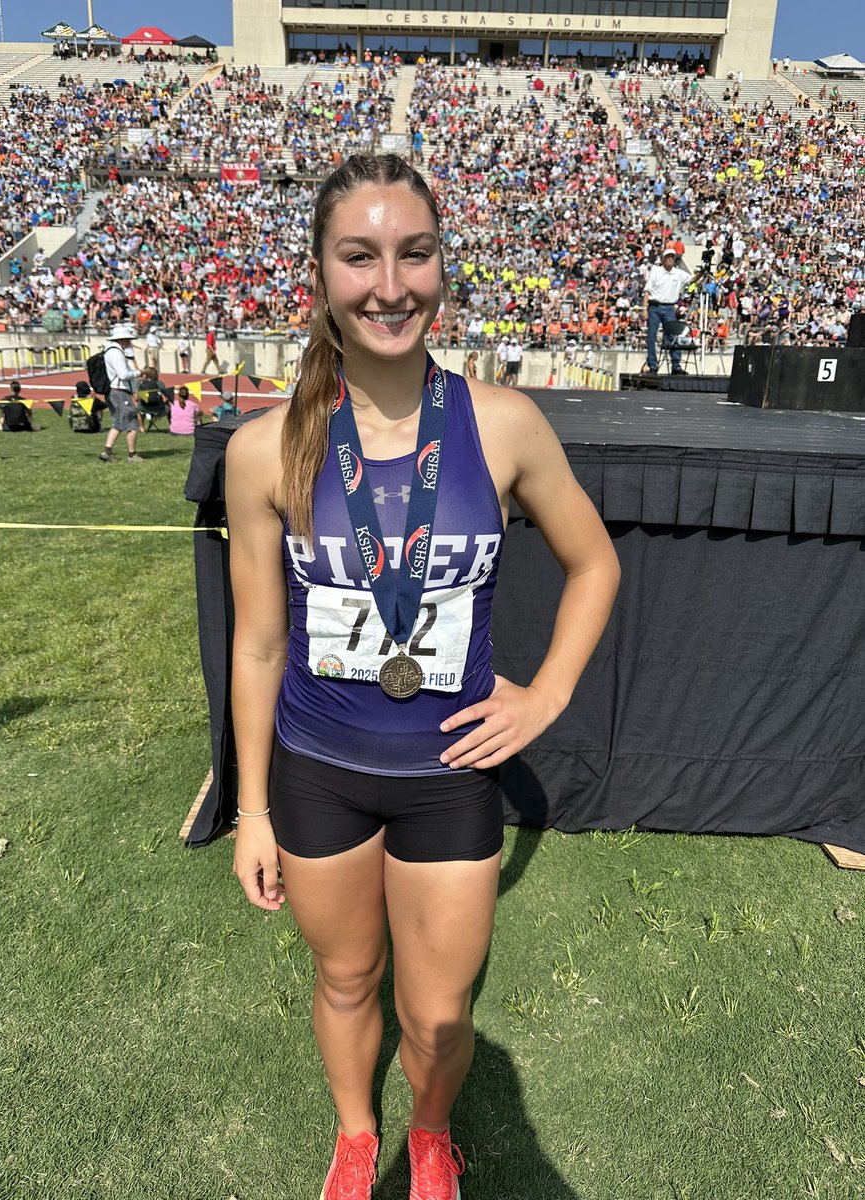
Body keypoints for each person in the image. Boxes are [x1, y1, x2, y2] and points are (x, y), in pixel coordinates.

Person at [225, 153, 621, 1200]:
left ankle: (431, 1133)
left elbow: (596, 564)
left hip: (451, 777)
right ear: (320, 274)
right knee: (346, 977)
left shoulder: (502, 426)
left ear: (444, 268)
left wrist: (547, 694)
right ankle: (359, 1139)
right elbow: (259, 644)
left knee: (436, 1012)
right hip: (317, 769)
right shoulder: (264, 451)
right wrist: (253, 809)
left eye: (415, 253)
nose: (390, 284)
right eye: (360, 257)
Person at [642, 245, 693, 375]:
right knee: (652, 336)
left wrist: (700, 274)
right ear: (663, 259)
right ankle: (652, 364)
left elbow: (691, 280)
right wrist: (644, 308)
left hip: (669, 307)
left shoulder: (678, 273)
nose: (670, 260)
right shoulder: (656, 271)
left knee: (673, 335)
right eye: (668, 257)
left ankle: (676, 365)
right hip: (654, 306)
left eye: (672, 257)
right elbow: (647, 290)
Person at [99, 323, 144, 462]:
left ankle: (107, 451)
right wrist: (139, 372)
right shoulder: (116, 352)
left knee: (118, 422)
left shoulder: (110, 350)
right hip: (119, 391)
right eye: (127, 339)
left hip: (115, 390)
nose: (129, 342)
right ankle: (132, 454)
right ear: (122, 339)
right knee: (132, 421)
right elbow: (123, 374)